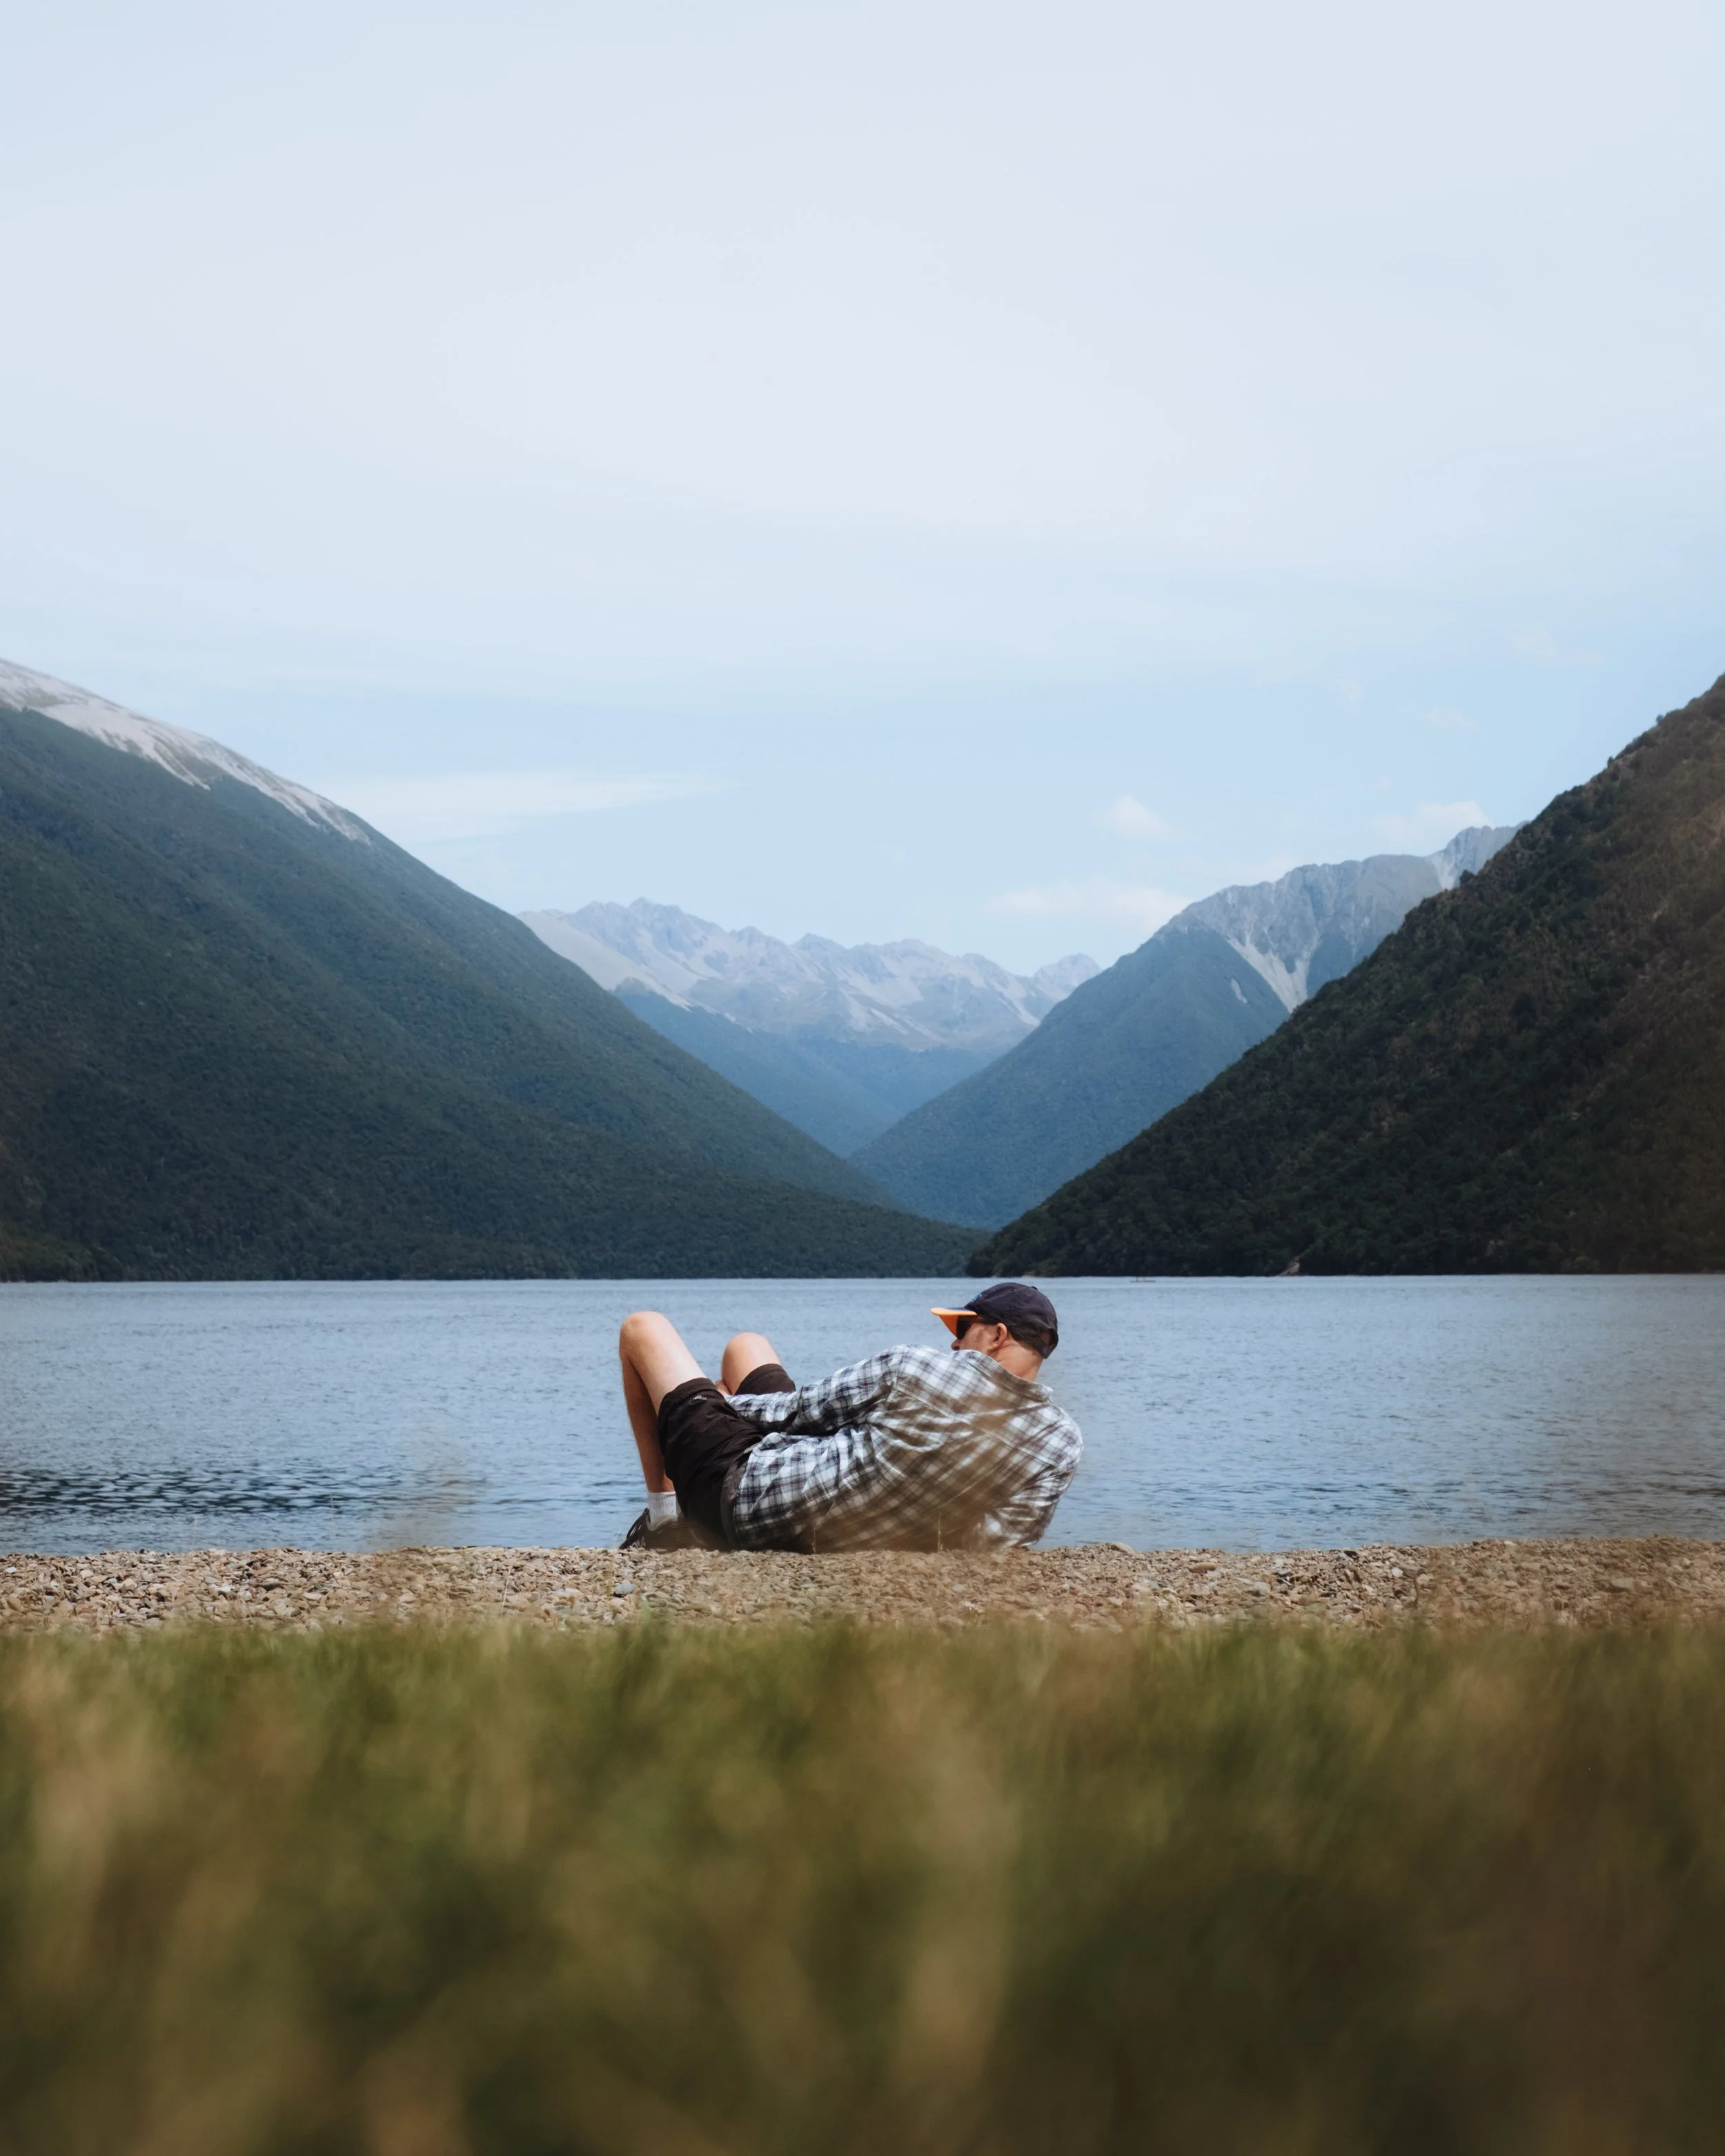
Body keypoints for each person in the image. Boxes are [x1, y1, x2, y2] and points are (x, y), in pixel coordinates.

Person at [615, 1282, 1082, 1553]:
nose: (955, 1344)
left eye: (964, 1329)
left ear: (998, 1334)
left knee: (642, 1327)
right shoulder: (1062, 1442)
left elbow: (794, 1413)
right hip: (847, 1520)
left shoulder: (917, 1367)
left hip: (747, 1497)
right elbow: (993, 1542)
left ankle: (664, 1521)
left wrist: (707, 1406)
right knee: (746, 1347)